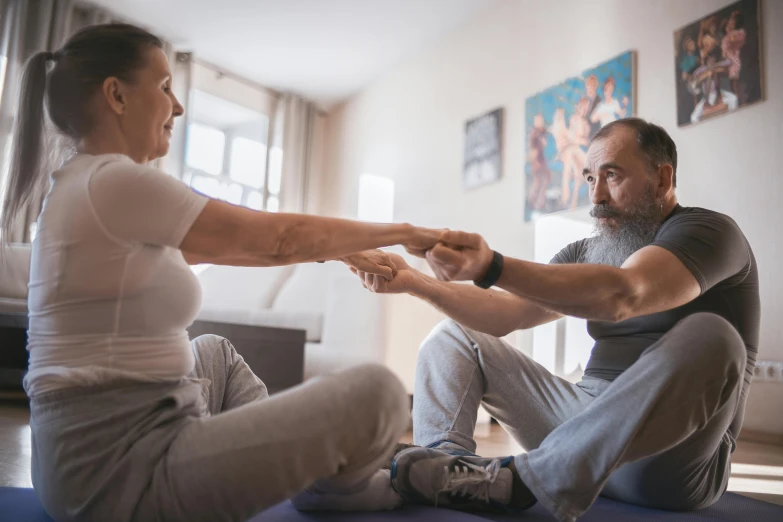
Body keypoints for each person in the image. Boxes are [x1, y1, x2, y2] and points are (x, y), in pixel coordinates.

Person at [0, 23, 455, 522]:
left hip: (90, 457)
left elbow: (255, 251)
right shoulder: (113, 182)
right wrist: (405, 233)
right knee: (381, 394)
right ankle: (331, 486)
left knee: (212, 352)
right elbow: (275, 239)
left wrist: (343, 253)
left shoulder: (86, 185)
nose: (176, 107)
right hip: (120, 476)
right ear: (116, 95)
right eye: (165, 87)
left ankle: (318, 475)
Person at [351, 118, 759, 522]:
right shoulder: (586, 250)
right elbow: (508, 312)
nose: (596, 195)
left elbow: (625, 293)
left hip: (669, 463)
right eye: (588, 178)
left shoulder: (709, 232)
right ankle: (450, 471)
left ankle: (526, 479)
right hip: (578, 424)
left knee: (716, 339)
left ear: (662, 178)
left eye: (611, 175)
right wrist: (415, 282)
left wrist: (490, 265)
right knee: (455, 337)